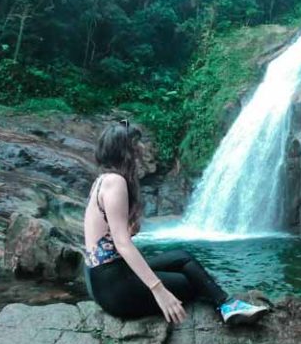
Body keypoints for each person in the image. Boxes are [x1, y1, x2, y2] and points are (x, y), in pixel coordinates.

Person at [83, 120, 269, 326]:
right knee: (191, 283)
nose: (141, 148)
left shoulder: (102, 180)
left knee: (183, 258)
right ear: (126, 150)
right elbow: (122, 243)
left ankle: (227, 305)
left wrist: (129, 230)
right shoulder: (115, 182)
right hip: (115, 287)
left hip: (102, 281)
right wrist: (159, 290)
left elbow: (107, 238)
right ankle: (227, 307)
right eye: (137, 143)